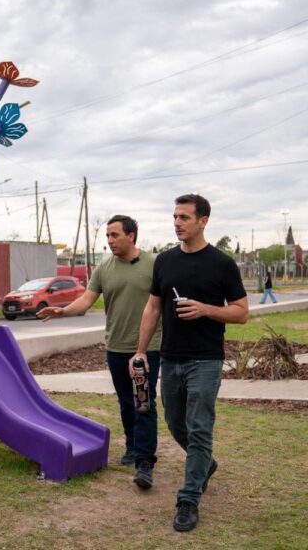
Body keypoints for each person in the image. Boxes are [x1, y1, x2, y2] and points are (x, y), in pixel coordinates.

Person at [131, 193, 248, 533]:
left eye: (184, 217)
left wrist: (205, 309)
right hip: (171, 358)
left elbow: (241, 312)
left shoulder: (222, 264)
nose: (177, 223)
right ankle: (205, 463)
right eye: (175, 217)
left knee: (199, 428)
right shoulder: (165, 261)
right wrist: (141, 352)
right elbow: (153, 307)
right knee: (174, 423)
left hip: (206, 360)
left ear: (202, 221)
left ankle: (188, 499)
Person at [37, 215, 161, 489]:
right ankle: (132, 447)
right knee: (126, 401)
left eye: (115, 235)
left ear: (131, 235)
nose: (110, 240)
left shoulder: (153, 265)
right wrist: (62, 311)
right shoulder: (104, 267)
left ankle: (144, 462)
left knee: (143, 403)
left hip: (146, 349)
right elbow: (86, 300)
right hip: (115, 347)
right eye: (107, 236)